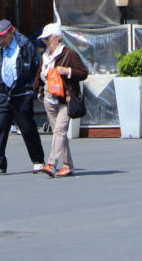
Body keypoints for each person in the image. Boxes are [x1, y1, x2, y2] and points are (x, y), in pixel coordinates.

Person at [0, 19, 45, 176]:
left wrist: (35, 87)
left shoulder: (24, 45)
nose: (1, 39)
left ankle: (38, 161)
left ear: (12, 32)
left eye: (4, 36)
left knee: (27, 128)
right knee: (0, 128)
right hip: (3, 93)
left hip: (22, 92)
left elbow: (36, 65)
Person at [34, 22, 88, 177]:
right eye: (43, 39)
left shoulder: (69, 54)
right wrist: (38, 90)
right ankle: (68, 165)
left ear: (57, 38)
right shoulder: (45, 56)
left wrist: (68, 71)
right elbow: (40, 75)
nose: (45, 42)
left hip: (66, 99)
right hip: (49, 99)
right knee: (60, 134)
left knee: (59, 131)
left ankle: (51, 164)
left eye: (47, 38)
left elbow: (83, 72)